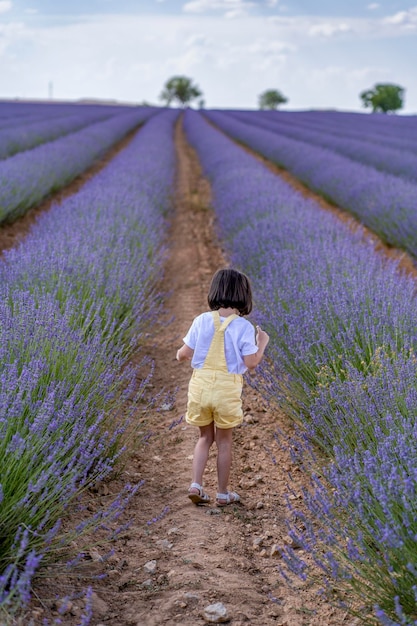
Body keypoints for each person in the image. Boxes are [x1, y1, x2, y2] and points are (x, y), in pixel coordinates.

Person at [176, 268, 269, 507]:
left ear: (215, 291)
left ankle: (196, 484)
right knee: (224, 441)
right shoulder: (243, 327)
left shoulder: (201, 320)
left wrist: (180, 353)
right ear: (244, 295)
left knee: (204, 437)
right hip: (226, 391)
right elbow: (251, 363)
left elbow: (184, 355)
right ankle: (222, 492)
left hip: (201, 388)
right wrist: (262, 344)